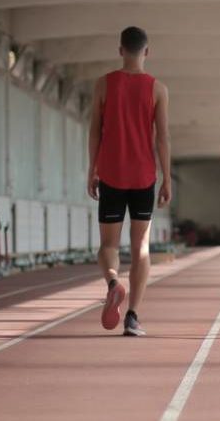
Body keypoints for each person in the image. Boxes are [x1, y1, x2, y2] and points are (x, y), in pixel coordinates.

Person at [87, 26, 172, 337]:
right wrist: (166, 179)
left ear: (120, 50)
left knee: (108, 245)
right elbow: (162, 138)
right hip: (143, 176)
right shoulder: (158, 89)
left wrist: (91, 169)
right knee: (141, 250)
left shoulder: (103, 85)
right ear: (146, 52)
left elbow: (95, 130)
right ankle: (133, 317)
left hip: (111, 173)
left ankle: (112, 281)